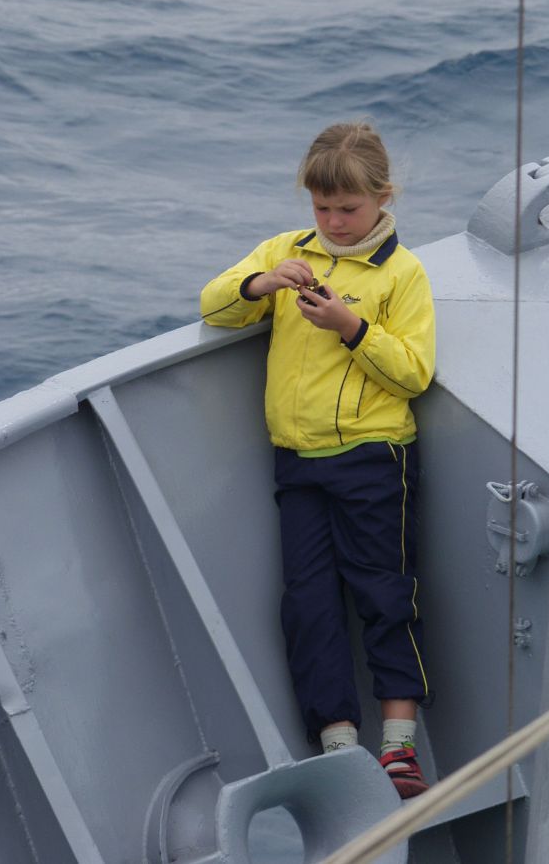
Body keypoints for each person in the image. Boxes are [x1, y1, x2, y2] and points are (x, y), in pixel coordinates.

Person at [200, 122, 435, 798]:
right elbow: (213, 305)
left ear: (383, 198)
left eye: (348, 209)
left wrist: (351, 327)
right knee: (307, 604)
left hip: (374, 458)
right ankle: (339, 745)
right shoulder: (286, 250)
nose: (333, 222)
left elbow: (414, 372)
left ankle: (398, 746)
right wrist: (261, 283)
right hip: (298, 462)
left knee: (385, 595)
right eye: (322, 207)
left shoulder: (401, 272)